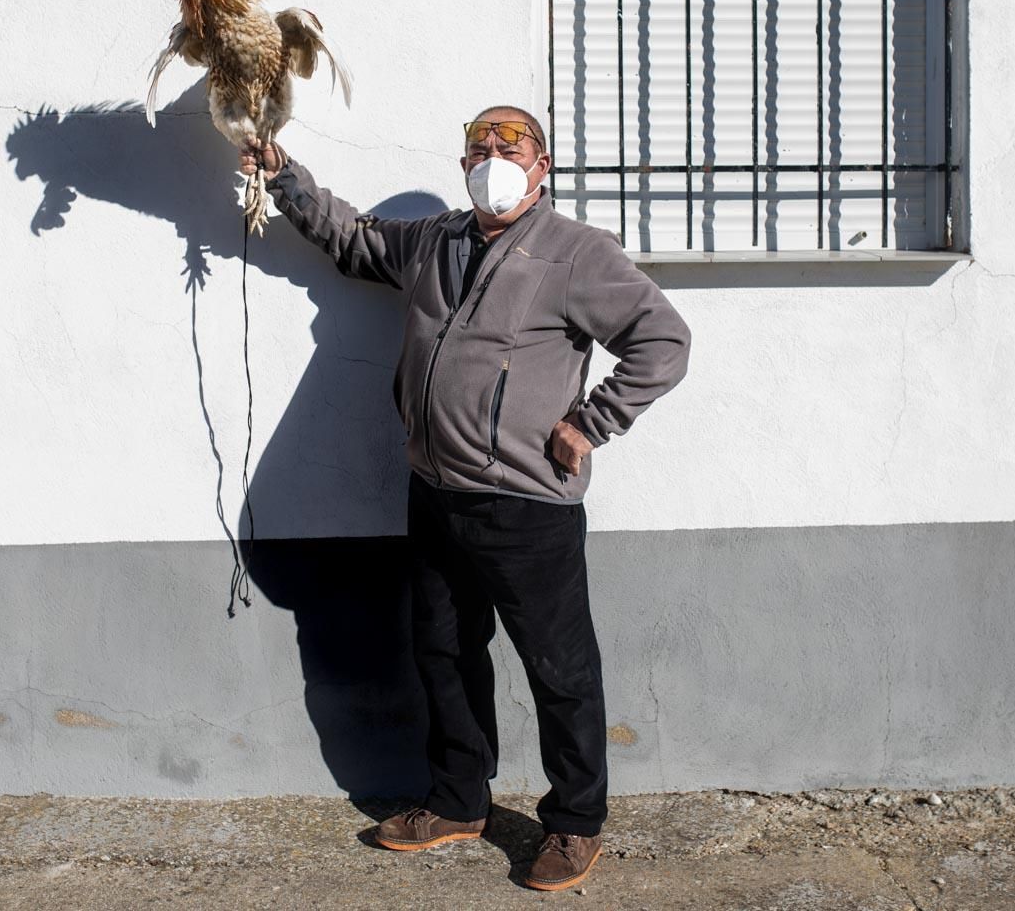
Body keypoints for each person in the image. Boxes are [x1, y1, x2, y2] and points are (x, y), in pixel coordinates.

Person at [238, 105, 691, 892]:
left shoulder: (577, 253)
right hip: (436, 492)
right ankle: (458, 801)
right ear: (462, 166)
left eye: (509, 144)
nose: (493, 156)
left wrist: (591, 424)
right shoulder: (437, 240)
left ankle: (575, 823)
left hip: (525, 507)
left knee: (559, 668)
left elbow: (664, 340)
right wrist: (283, 177)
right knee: (443, 652)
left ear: (542, 164)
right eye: (478, 146)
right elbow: (355, 239)